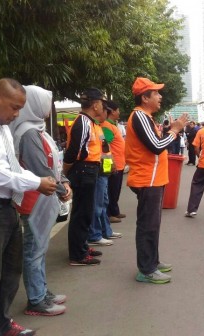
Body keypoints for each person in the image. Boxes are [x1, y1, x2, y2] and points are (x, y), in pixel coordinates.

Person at [0, 78, 57, 336]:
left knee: (9, 274)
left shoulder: (2, 125)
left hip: (7, 207)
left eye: (20, 109)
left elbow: (12, 166)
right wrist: (35, 182)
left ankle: (3, 325)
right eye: (14, 108)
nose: (16, 114)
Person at [10, 85, 70, 317]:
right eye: (44, 103)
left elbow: (53, 163)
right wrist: (60, 189)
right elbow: (38, 168)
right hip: (34, 198)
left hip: (42, 196)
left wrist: (62, 182)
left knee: (39, 248)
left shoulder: (37, 129)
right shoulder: (27, 133)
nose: (47, 109)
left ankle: (42, 292)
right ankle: (36, 300)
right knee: (34, 250)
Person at [125, 77, 187, 284]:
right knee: (147, 225)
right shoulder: (140, 116)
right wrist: (175, 130)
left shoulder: (146, 117)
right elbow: (156, 146)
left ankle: (152, 260)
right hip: (146, 180)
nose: (160, 96)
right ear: (145, 97)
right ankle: (146, 269)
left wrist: (173, 131)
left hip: (152, 179)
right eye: (156, 93)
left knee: (152, 224)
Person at [63, 88, 106, 266]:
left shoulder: (89, 122)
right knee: (81, 213)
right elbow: (74, 151)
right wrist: (65, 173)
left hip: (88, 170)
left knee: (85, 211)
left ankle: (82, 246)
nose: (102, 107)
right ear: (95, 105)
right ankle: (77, 255)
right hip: (84, 170)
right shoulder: (83, 122)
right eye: (101, 104)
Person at [88, 102, 122, 246]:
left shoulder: (99, 127)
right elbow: (101, 151)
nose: (104, 114)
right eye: (104, 112)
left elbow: (106, 149)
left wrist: (110, 166)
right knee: (98, 203)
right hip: (99, 170)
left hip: (104, 170)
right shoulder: (97, 127)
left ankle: (105, 231)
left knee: (104, 201)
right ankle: (96, 234)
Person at [102, 100, 127, 224]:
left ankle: (115, 211)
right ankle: (110, 213)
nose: (119, 112)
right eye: (118, 110)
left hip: (118, 162)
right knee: (111, 189)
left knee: (115, 189)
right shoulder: (106, 125)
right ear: (112, 111)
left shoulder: (112, 124)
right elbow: (106, 146)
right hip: (111, 163)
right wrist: (111, 164)